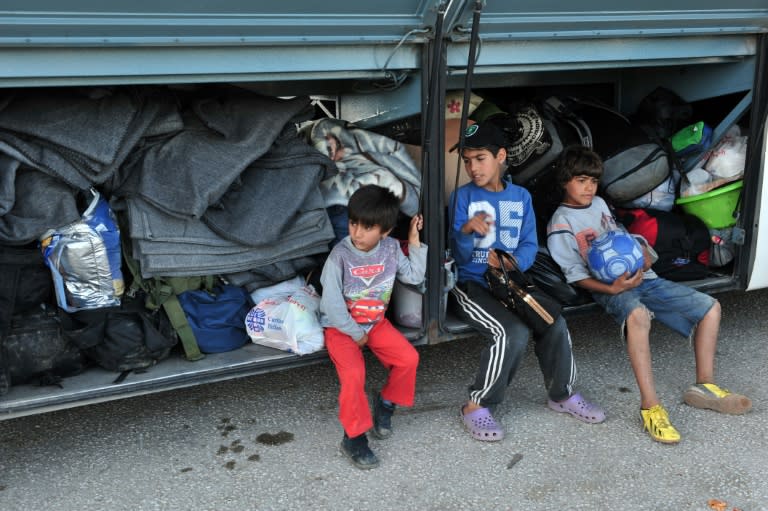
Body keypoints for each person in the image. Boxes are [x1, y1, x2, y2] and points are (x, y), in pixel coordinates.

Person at [546, 145, 752, 444]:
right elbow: (575, 275)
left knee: (711, 307)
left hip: (644, 277)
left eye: (593, 181)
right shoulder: (561, 223)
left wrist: (643, 252)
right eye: (581, 181)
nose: (589, 188)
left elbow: (622, 237)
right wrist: (612, 288)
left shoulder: (601, 204)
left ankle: (704, 386)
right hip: (609, 288)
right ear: (565, 181)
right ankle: (650, 407)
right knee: (638, 316)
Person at [449, 122, 605, 442]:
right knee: (510, 332)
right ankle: (477, 405)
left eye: (480, 158)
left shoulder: (520, 197)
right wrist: (466, 232)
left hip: (512, 281)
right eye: (467, 160)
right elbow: (460, 257)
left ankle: (562, 394)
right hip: (472, 284)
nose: (472, 167)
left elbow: (529, 245)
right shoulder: (462, 197)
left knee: (554, 322)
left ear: (501, 156)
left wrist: (512, 262)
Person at [319, 184, 427, 469]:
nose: (356, 233)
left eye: (367, 227)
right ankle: (353, 438)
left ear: (386, 231)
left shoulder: (391, 249)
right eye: (354, 223)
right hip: (341, 328)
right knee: (354, 375)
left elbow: (415, 276)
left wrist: (414, 240)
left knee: (408, 359)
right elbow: (331, 305)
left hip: (375, 323)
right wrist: (356, 334)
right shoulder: (339, 257)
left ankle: (387, 402)